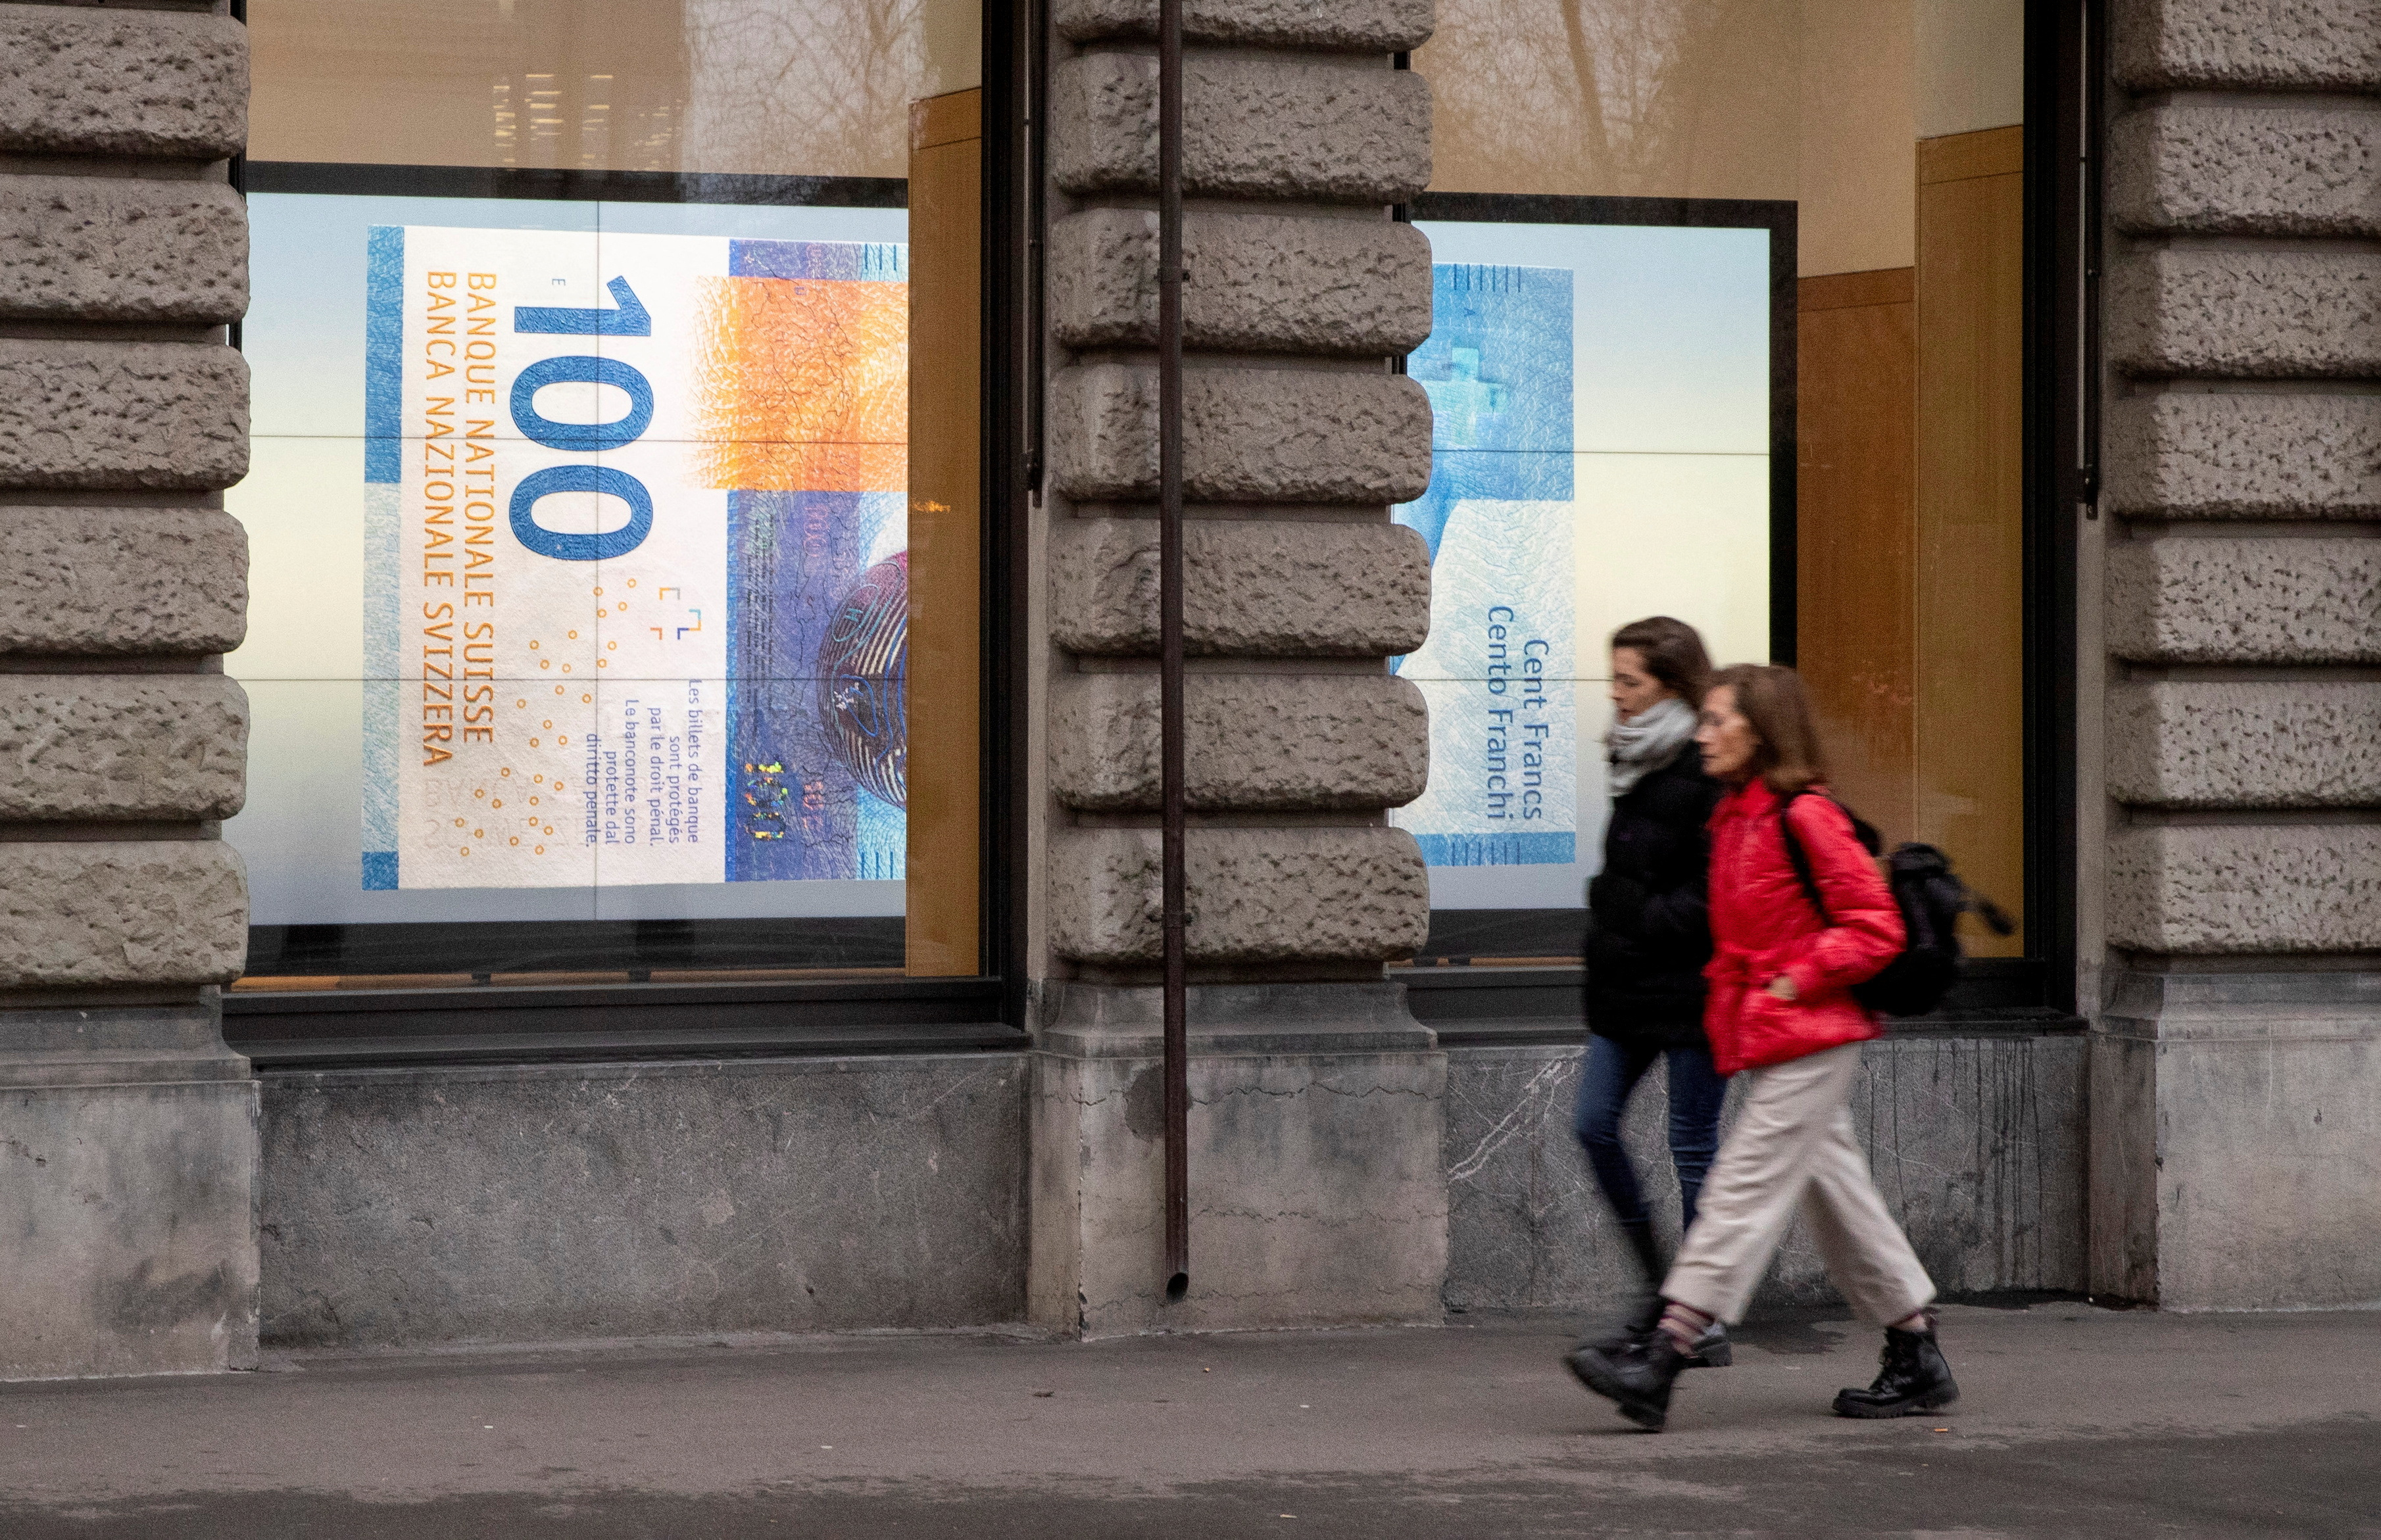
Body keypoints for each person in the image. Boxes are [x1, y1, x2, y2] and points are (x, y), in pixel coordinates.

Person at [1565, 664, 1960, 1432]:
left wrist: (1790, 980)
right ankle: (1915, 1348)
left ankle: (1664, 1351)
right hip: (1771, 1035)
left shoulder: (1804, 813)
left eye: (1716, 720)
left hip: (1811, 1031)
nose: (1701, 734)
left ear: (1761, 730)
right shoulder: (1735, 816)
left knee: (1738, 1189)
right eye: (1703, 720)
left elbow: (1874, 926)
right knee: (1839, 1196)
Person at [1576, 617, 1730, 1366]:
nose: (1615, 693)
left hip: (1696, 991)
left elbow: (1709, 898)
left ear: (1669, 685)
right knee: (1592, 1123)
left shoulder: (1705, 765)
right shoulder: (1628, 755)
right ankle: (1661, 1285)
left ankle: (1696, 1319)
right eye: (1614, 678)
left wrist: (1622, 912)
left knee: (1692, 1148)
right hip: (1628, 988)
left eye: (1629, 681)